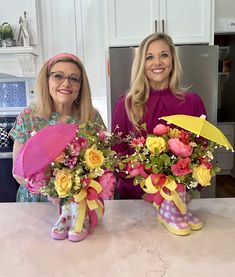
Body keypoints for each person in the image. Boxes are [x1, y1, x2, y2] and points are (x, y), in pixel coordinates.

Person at [112, 33, 206, 235]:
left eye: (164, 55)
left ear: (172, 60)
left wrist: (184, 189)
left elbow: (202, 153)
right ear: (141, 64)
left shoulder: (192, 102)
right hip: (137, 205)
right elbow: (117, 156)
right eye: (149, 57)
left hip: (180, 203)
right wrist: (149, 192)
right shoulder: (126, 104)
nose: (157, 62)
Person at [9, 53, 105, 241]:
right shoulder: (28, 117)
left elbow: (101, 165)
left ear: (80, 86)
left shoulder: (91, 118)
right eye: (58, 76)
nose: (66, 83)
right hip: (35, 209)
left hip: (78, 208)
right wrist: (52, 192)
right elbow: (18, 172)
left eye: (74, 78)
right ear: (47, 79)